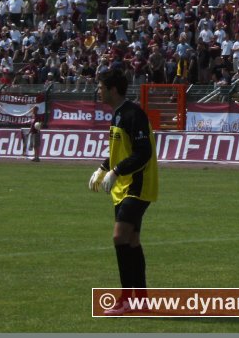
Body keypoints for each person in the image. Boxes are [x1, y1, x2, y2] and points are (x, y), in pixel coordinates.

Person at [88, 69, 158, 316]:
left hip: (137, 186)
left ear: (112, 89)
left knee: (119, 237)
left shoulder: (133, 114)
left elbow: (143, 152)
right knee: (131, 241)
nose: (99, 91)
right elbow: (122, 149)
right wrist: (103, 167)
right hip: (124, 186)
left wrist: (116, 171)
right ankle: (141, 301)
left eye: (101, 87)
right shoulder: (117, 114)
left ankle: (126, 300)